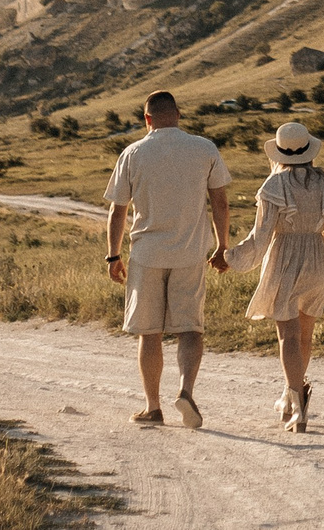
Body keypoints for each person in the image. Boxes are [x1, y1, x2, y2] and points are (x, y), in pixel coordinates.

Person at [225, 121, 324, 433]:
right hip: (317, 260)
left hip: (285, 258)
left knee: (287, 335)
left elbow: (260, 238)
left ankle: (297, 403)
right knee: (304, 335)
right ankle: (292, 396)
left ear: (279, 153)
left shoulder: (273, 187)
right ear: (308, 151)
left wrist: (230, 258)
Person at [103, 89, 232, 428]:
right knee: (190, 327)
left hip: (147, 254)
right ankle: (186, 391)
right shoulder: (204, 148)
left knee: (150, 332)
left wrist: (113, 255)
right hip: (190, 251)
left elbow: (118, 211)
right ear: (178, 113)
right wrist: (222, 246)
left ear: (147, 119)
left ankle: (152, 407)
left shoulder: (132, 153)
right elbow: (220, 203)